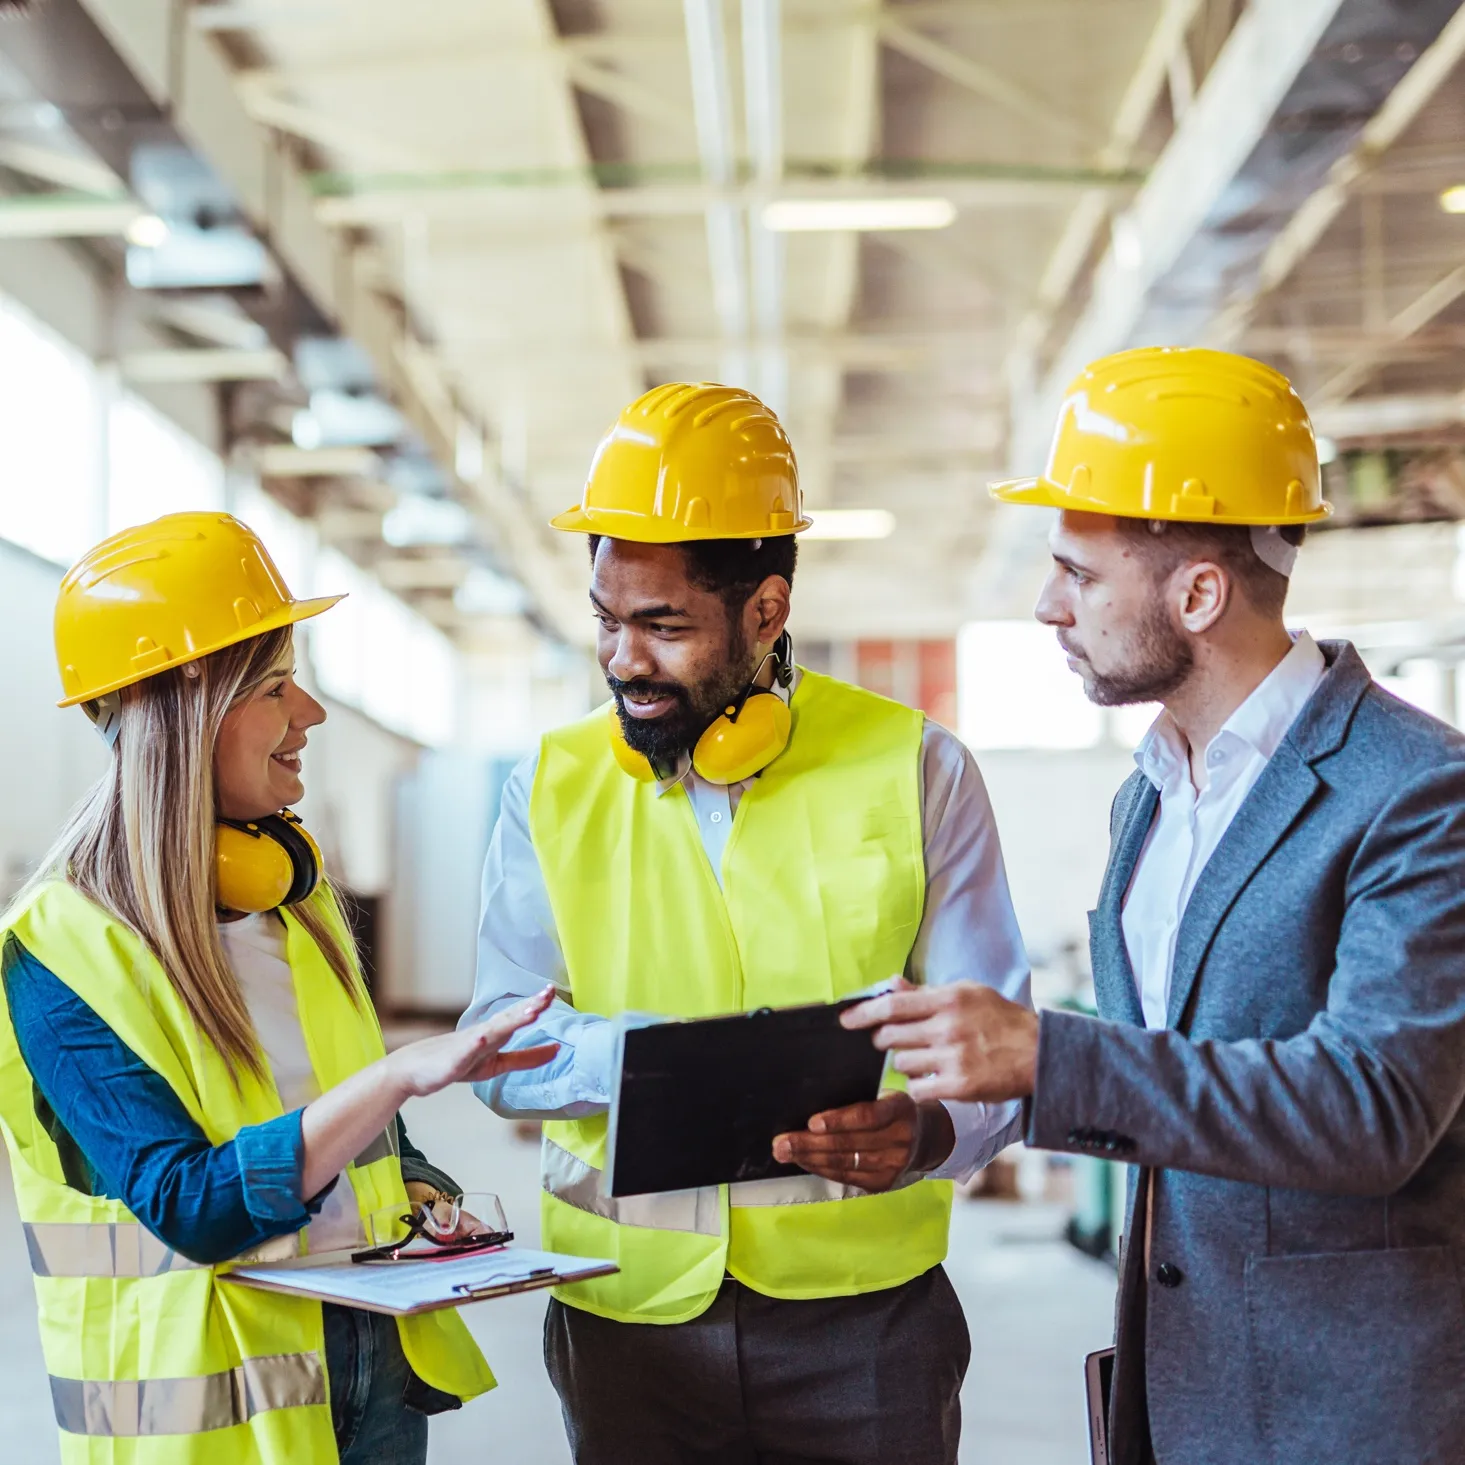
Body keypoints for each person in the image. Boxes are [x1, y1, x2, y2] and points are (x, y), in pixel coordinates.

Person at [839, 347, 1465, 1465]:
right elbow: (1171, 1087)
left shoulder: (1415, 790)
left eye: (1077, 574)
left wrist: (1046, 1057)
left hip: (1350, 1409)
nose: (1045, 607)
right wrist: (942, 1121)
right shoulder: (1151, 795)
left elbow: (1374, 1107)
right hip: (1185, 1389)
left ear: (1199, 592)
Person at [460, 382, 1031, 1465]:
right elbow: (497, 1042)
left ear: (765, 610)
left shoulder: (916, 767)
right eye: (606, 619)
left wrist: (930, 1134)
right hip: (625, 1322)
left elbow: (995, 1044)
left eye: (662, 625)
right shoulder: (550, 783)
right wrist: (658, 1062)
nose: (624, 657)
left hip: (864, 1322)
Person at [0, 511, 559, 1465]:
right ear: (188, 708)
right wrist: (397, 1076)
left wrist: (422, 1188)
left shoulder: (297, 905)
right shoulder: (58, 950)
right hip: (211, 1415)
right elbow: (191, 1204)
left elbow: (353, 1132)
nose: (312, 713)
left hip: (372, 1363)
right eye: (273, 686)